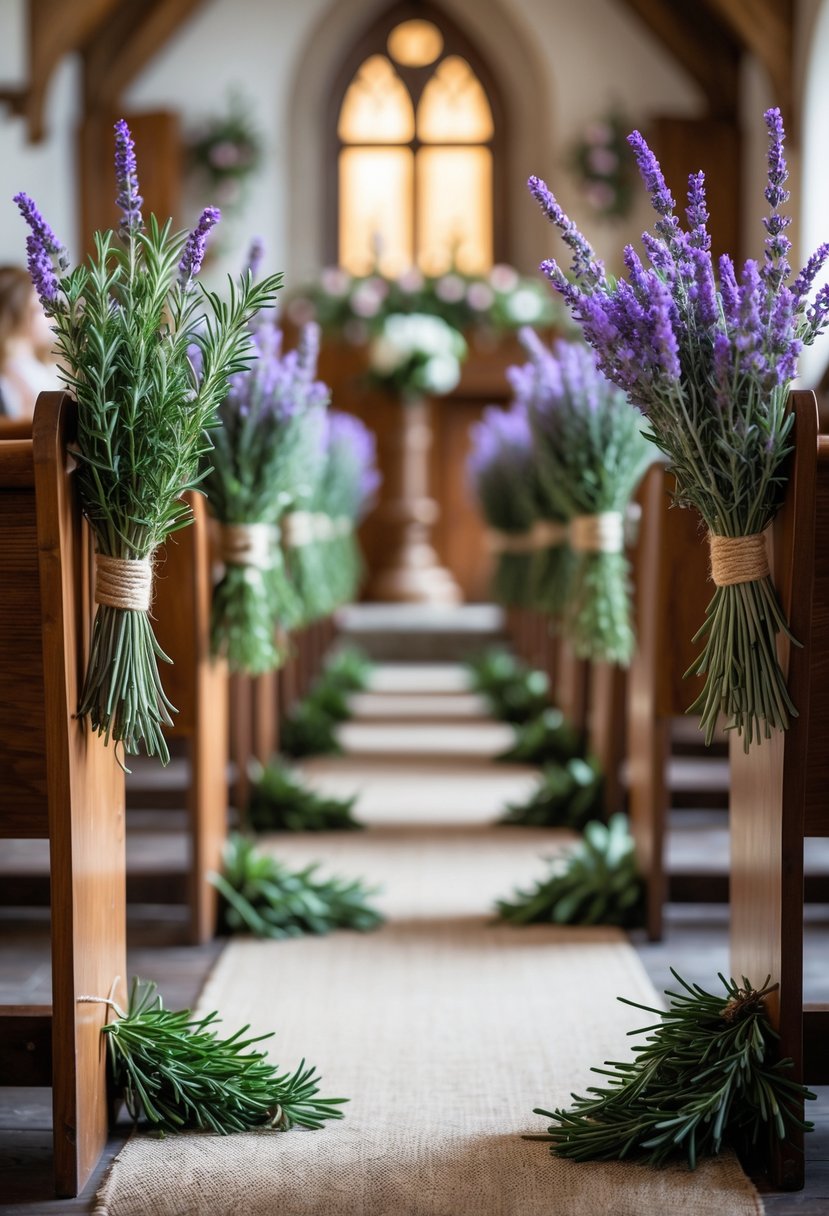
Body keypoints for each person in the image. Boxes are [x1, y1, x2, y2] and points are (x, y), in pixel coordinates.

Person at [0, 265, 61, 419]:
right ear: (18, 312)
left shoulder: (42, 367)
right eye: (43, 309)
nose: (52, 317)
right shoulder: (8, 380)